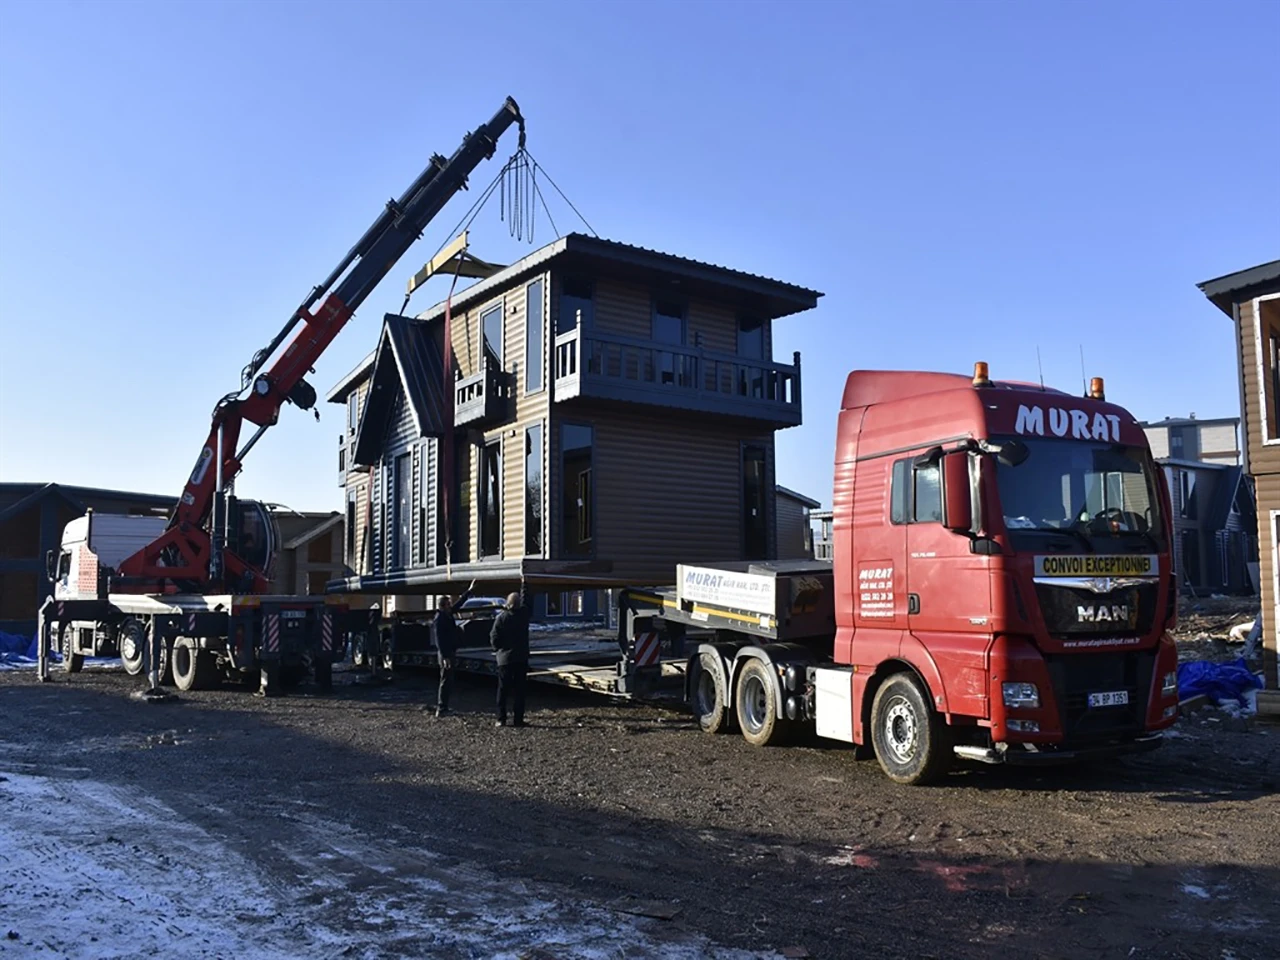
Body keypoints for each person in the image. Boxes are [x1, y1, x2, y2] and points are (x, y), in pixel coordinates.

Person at [432, 579, 476, 717]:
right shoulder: (440, 619)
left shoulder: (446, 614)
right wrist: (445, 656)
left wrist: (469, 591)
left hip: (450, 650)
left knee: (448, 679)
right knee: (445, 680)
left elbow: (458, 605)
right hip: (446, 653)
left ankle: (444, 706)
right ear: (443, 606)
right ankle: (441, 707)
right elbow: (439, 639)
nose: (451, 606)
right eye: (448, 604)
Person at [490, 586, 532, 727]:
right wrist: (525, 585)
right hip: (520, 658)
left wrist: (498, 649)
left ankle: (501, 719)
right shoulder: (524, 615)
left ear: (507, 604)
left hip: (505, 659)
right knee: (520, 691)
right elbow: (528, 601)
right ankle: (518, 719)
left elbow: (494, 637)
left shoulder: (501, 618)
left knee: (503, 690)